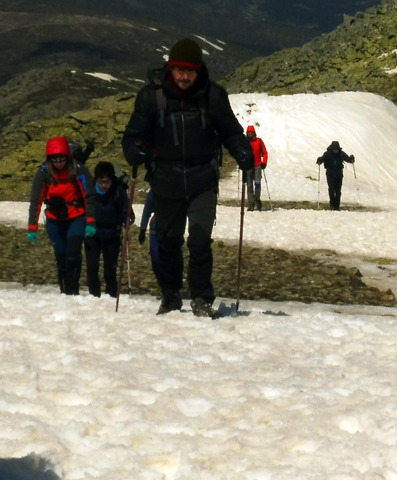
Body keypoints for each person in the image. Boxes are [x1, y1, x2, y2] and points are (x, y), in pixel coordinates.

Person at [122, 38, 254, 317]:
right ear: (170, 68)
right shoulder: (151, 97)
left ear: (199, 70)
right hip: (165, 180)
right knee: (169, 241)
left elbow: (230, 131)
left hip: (202, 179)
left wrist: (242, 150)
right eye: (180, 70)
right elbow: (134, 135)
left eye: (190, 71)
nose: (184, 76)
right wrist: (133, 150)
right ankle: (170, 295)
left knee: (199, 240)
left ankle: (202, 297)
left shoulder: (213, 96)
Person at [27, 137, 95, 295]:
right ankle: (64, 290)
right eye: (55, 160)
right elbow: (36, 200)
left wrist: (91, 222)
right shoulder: (44, 172)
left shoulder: (78, 169)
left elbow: (89, 196)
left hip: (76, 216)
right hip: (54, 219)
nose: (59, 164)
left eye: (62, 160)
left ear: (67, 156)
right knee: (61, 256)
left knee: (73, 252)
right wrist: (32, 227)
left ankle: (73, 290)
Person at [86, 161, 133, 298]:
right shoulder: (89, 190)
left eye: (107, 182)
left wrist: (127, 219)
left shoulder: (118, 190)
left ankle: (111, 297)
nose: (104, 185)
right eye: (101, 182)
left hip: (112, 234)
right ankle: (94, 296)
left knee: (110, 270)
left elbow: (127, 211)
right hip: (93, 233)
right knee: (92, 268)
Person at [316, 141, 355, 211]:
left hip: (339, 175)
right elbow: (322, 159)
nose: (335, 151)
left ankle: (337, 205)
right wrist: (319, 160)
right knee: (331, 189)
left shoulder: (341, 154)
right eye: (334, 150)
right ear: (332, 149)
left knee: (338, 190)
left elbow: (348, 159)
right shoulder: (327, 154)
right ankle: (332, 204)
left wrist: (351, 159)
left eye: (336, 149)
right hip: (330, 174)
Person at [244, 125, 268, 211]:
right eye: (248, 132)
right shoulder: (245, 142)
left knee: (257, 184)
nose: (250, 133)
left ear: (254, 132)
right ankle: (251, 203)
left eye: (251, 132)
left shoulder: (259, 141)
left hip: (257, 165)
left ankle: (257, 198)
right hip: (248, 166)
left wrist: (264, 162)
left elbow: (265, 153)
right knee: (249, 185)